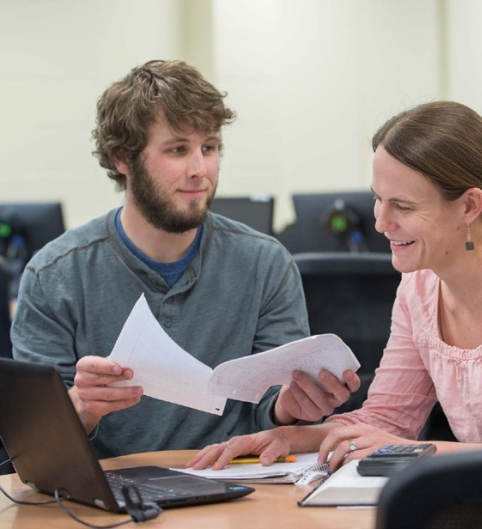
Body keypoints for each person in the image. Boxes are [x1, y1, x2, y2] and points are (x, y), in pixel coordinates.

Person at [187, 100, 482, 472]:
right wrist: (290, 436)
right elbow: (387, 422)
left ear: (469, 205)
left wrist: (412, 452)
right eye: (377, 200)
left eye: (402, 206)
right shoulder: (420, 285)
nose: (380, 222)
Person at [10, 60, 360, 459]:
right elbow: (36, 446)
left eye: (209, 148)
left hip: (234, 485)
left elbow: (271, 407)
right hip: (110, 497)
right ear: (123, 159)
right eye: (178, 149)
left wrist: (291, 408)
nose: (201, 170)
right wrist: (81, 406)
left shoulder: (265, 263)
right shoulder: (54, 275)